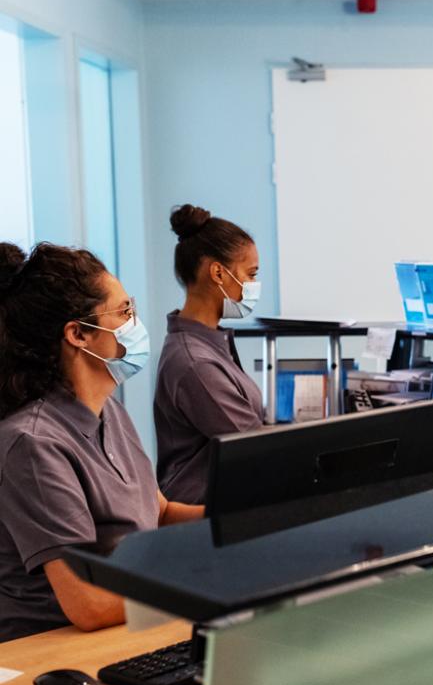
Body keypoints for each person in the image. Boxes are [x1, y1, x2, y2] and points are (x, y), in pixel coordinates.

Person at [0, 242, 203, 642]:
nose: (135, 323)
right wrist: (208, 581)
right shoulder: (33, 443)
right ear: (78, 334)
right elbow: (88, 605)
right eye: (125, 312)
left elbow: (157, 512)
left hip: (120, 629)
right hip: (51, 649)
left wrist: (249, 517)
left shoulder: (108, 411)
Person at [155, 204, 265, 505]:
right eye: (251, 274)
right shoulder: (195, 363)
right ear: (218, 272)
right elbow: (258, 448)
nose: (254, 285)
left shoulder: (209, 344)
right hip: (200, 515)